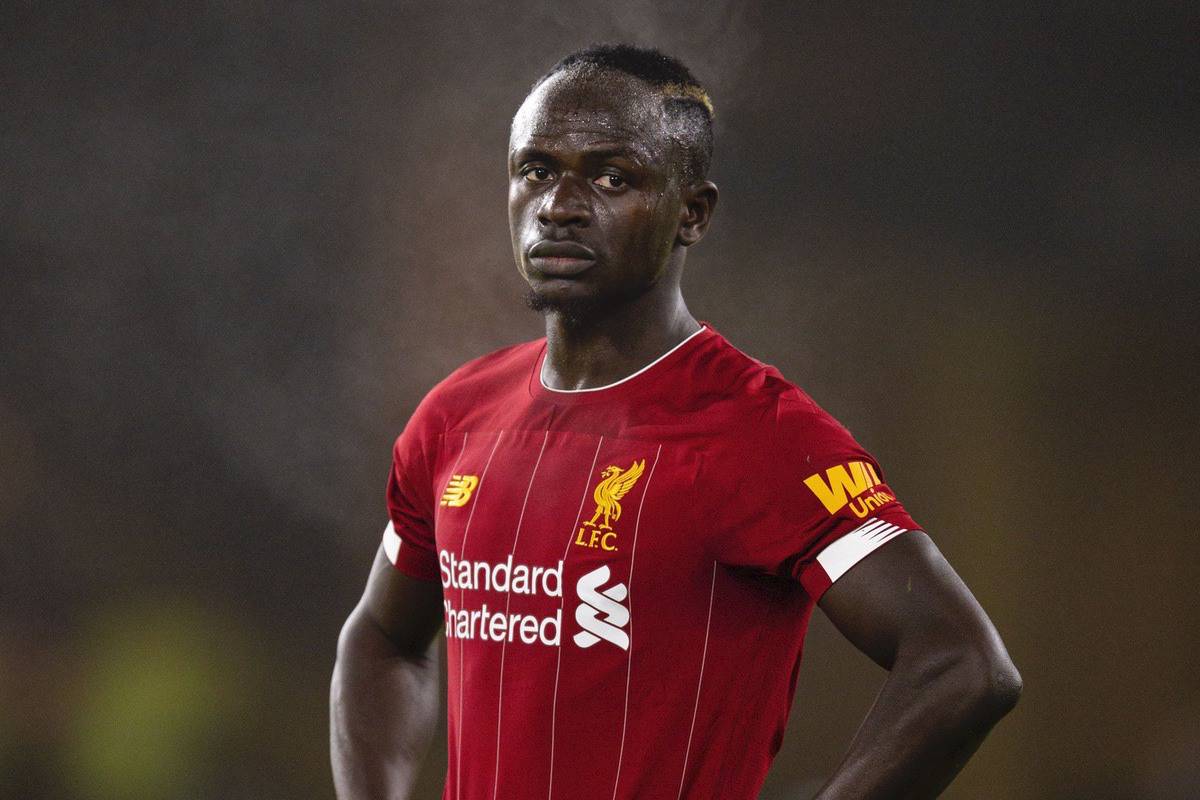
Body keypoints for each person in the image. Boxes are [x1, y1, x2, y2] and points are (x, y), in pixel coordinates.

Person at [330, 43, 1021, 800]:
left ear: (692, 212)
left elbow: (963, 666)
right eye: (536, 170)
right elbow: (384, 638)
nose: (558, 206)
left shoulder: (759, 434)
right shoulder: (455, 418)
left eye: (612, 176)